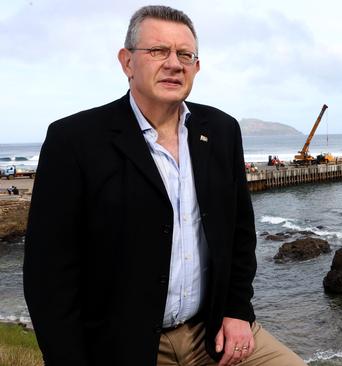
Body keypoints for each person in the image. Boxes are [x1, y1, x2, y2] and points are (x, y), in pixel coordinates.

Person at [23, 5, 306, 366]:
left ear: (197, 67)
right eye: (158, 51)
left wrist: (238, 311)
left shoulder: (220, 130)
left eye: (185, 54)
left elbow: (239, 232)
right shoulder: (74, 140)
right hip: (123, 343)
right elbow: (48, 274)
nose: (174, 63)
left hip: (211, 331)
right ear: (127, 62)